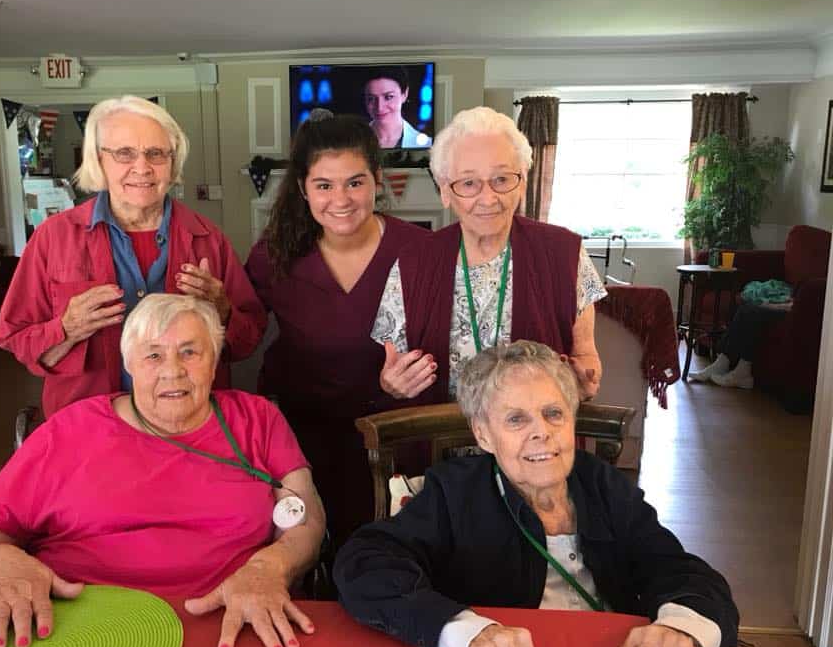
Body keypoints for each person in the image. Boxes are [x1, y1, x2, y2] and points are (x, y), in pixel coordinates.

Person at [0, 294, 326, 647]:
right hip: (78, 632)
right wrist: (3, 565)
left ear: (216, 357)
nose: (173, 371)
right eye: (153, 356)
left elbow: (307, 515)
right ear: (129, 364)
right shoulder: (69, 432)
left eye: (190, 352)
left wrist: (269, 568)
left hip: (231, 624)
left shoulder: (257, 420)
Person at [334, 340, 738, 647]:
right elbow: (365, 563)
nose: (541, 431)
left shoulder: (603, 484)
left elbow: (678, 569)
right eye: (516, 419)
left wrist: (680, 628)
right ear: (483, 435)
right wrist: (468, 633)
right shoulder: (453, 491)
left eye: (554, 413)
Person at [0, 95, 266, 417]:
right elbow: (15, 337)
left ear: (173, 161)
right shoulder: (53, 238)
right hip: (88, 425)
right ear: (99, 160)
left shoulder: (209, 240)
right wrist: (67, 328)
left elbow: (249, 340)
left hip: (190, 426)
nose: (142, 168)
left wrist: (222, 311)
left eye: (156, 154)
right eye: (124, 153)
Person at [246, 112, 428, 544]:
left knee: (395, 551)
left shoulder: (422, 252)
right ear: (303, 189)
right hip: (301, 441)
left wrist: (408, 380)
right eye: (324, 185)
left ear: (378, 180)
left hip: (397, 435)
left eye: (355, 182)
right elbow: (239, 334)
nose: (341, 199)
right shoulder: (274, 255)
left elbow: (447, 341)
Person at [372, 106, 606, 404]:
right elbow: (392, 370)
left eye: (502, 179)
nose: (488, 198)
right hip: (439, 440)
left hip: (534, 441)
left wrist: (584, 380)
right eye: (469, 183)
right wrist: (392, 383)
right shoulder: (412, 263)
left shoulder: (564, 253)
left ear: (522, 182)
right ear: (445, 191)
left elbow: (586, 357)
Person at [688, 281, 793, 389]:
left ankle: (742, 371)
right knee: (745, 309)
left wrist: (780, 305)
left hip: (791, 309)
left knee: (752, 312)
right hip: (790, 304)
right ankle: (722, 363)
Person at [363, 66, 431, 150]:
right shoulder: (354, 143)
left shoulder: (425, 144)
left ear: (405, 94)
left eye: (388, 97)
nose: (379, 107)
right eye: (371, 99)